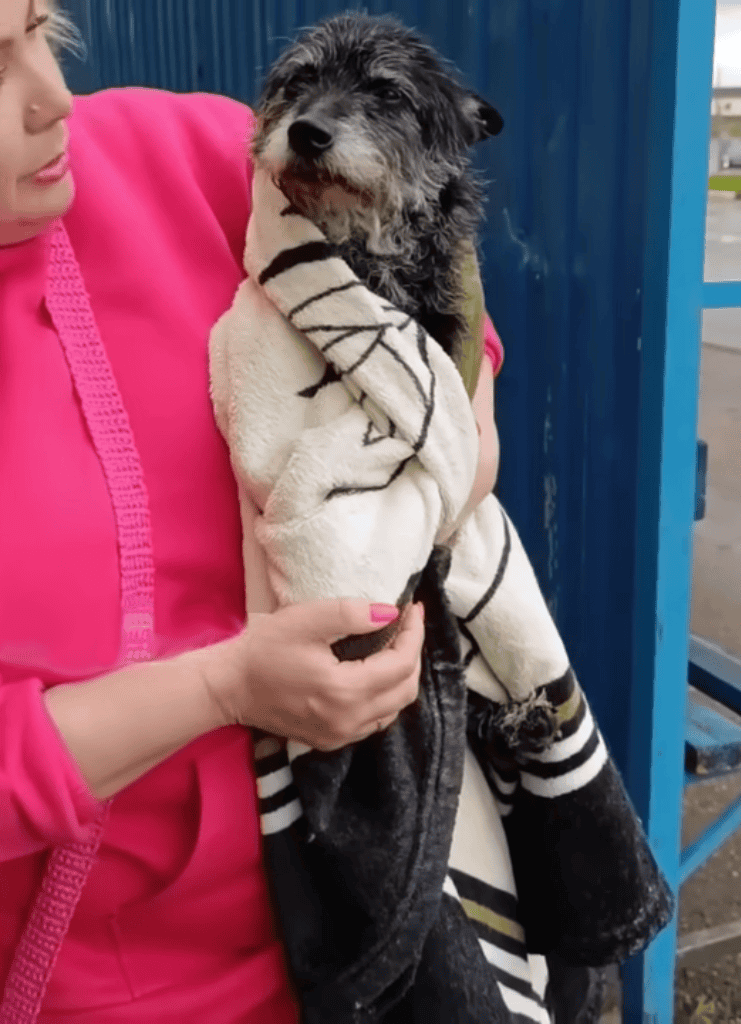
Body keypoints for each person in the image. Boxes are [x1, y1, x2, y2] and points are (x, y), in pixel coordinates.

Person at [0, 1, 505, 1020]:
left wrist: (448, 447)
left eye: (38, 30)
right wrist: (226, 688)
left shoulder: (173, 149)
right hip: (108, 984)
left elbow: (436, 262)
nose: (55, 97)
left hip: (381, 900)